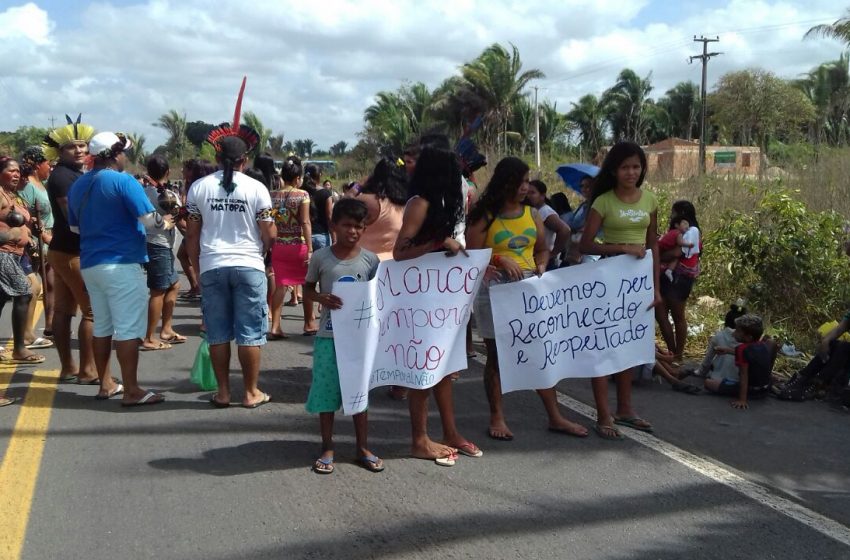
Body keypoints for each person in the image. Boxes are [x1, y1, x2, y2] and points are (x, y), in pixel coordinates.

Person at [467, 156, 588, 441]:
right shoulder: (484, 215)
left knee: (540, 353)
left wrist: (542, 265)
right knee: (496, 357)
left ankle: (555, 416)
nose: (526, 187)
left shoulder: (532, 214)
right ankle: (497, 416)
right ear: (506, 182)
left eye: (527, 181)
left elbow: (542, 250)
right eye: (521, 181)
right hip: (494, 292)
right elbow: (472, 257)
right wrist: (497, 259)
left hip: (529, 292)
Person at [393, 141, 482, 466]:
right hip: (424, 299)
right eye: (453, 169)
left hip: (448, 298)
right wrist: (436, 243)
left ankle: (449, 430)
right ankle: (419, 439)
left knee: (446, 368)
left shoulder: (449, 201)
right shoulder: (420, 203)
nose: (459, 174)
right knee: (425, 368)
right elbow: (400, 251)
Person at [67, 131, 164, 405]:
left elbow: (75, 227)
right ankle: (132, 390)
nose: (126, 157)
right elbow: (150, 221)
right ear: (115, 155)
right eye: (124, 153)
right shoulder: (124, 181)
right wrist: (166, 220)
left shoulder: (78, 185)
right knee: (128, 328)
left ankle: (106, 383)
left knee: (103, 326)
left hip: (91, 263)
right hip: (121, 262)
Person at [185, 124, 276, 408]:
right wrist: (265, 251)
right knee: (250, 333)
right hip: (249, 265)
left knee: (218, 333)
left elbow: (192, 235)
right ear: (244, 160)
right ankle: (250, 392)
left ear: (216, 158)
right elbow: (269, 232)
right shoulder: (258, 188)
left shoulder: (198, 188)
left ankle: (223, 392)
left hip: (212, 264)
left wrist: (197, 269)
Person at [579, 141, 661, 440]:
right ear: (614, 170)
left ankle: (625, 409)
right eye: (625, 167)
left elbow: (653, 245)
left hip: (638, 284)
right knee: (603, 347)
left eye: (636, 166)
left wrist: (656, 287)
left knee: (628, 347)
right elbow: (585, 245)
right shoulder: (603, 202)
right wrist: (622, 247)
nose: (631, 172)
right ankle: (603, 414)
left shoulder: (650, 200)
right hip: (609, 279)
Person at [303, 198, 384, 474]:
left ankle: (362, 447)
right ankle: (327, 446)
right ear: (333, 226)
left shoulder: (371, 260)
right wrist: (320, 298)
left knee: (360, 395)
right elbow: (307, 290)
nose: (353, 231)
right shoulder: (320, 258)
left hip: (360, 341)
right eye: (347, 225)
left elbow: (379, 297)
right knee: (327, 393)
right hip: (328, 337)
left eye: (359, 226)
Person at [44, 116, 98, 383]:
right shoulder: (64, 177)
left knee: (64, 311)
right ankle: (87, 371)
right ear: (60, 151)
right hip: (72, 253)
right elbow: (72, 216)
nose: (79, 150)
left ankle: (69, 368)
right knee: (93, 311)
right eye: (72, 147)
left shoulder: (72, 174)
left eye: (83, 146)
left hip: (63, 250)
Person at [0, 157, 45, 365]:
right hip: (4, 253)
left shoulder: (11, 195)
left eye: (18, 171)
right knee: (24, 291)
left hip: (16, 254)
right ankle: (19, 348)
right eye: (11, 171)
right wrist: (10, 235)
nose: (16, 174)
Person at [141, 154, 185, 351]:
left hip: (154, 243)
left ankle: (166, 329)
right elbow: (179, 220)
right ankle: (149, 336)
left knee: (174, 284)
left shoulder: (143, 193)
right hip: (159, 245)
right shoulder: (170, 195)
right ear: (168, 172)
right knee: (158, 291)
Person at [268, 155, 314, 338]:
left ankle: (275, 327)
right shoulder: (302, 195)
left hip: (279, 246)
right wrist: (310, 248)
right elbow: (305, 222)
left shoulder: (271, 195)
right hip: (298, 246)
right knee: (307, 284)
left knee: (280, 286)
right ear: (297, 178)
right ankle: (309, 323)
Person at [655, 200, 701, 361]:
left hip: (680, 277)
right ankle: (673, 352)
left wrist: (659, 255)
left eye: (674, 212)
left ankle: (678, 355)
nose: (671, 216)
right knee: (661, 314)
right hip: (668, 276)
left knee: (677, 315)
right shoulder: (678, 231)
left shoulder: (692, 231)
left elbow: (677, 252)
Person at [18, 145, 55, 346]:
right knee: (32, 288)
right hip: (35, 242)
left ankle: (50, 325)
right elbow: (22, 212)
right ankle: (26, 331)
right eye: (47, 163)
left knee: (51, 285)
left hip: (48, 242)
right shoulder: (28, 187)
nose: (50, 167)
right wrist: (34, 227)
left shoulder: (43, 183)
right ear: (38, 164)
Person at [704, 314, 778, 409]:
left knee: (708, 383)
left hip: (751, 391)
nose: (733, 333)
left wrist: (742, 400)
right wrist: (728, 350)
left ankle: (743, 396)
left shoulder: (741, 349)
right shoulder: (762, 345)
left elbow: (744, 376)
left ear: (748, 337)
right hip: (765, 388)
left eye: (738, 331)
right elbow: (751, 356)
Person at [175, 159, 216, 301]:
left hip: (195, 229)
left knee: (189, 256)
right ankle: (196, 285)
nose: (182, 171)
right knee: (183, 255)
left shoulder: (198, 186)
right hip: (192, 227)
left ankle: (197, 285)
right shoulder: (191, 184)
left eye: (185, 168)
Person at [356, 156, 406, 261]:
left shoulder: (366, 201)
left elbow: (339, 213)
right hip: (394, 265)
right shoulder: (407, 203)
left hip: (365, 265)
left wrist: (358, 186)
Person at [681, 301, 747, 381]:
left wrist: (700, 372)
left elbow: (708, 359)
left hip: (717, 378)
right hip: (740, 380)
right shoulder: (748, 339)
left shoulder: (719, 336)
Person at [524, 179, 570, 270]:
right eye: (527, 192)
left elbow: (565, 230)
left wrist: (553, 253)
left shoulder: (545, 212)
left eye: (532, 193)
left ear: (542, 196)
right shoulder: (533, 211)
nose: (528, 196)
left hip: (544, 261)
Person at [564, 177, 596, 265]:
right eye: (582, 186)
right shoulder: (583, 205)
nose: (584, 189)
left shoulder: (597, 205)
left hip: (590, 252)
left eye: (588, 186)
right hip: (576, 247)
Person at [661, 217, 696, 282]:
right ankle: (669, 270)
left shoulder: (672, 232)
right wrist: (689, 245)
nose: (687, 226)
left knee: (676, 258)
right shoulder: (678, 233)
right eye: (685, 224)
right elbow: (680, 243)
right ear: (677, 225)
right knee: (677, 256)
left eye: (688, 225)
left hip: (664, 249)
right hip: (661, 249)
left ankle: (669, 270)